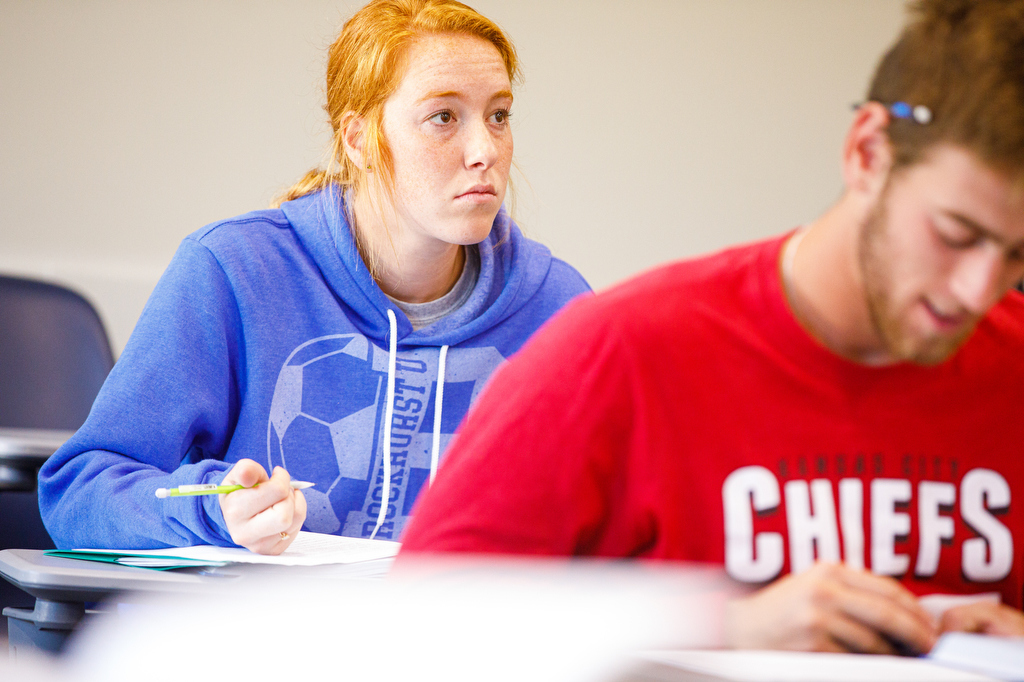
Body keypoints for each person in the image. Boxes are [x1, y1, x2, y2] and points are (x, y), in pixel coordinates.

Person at [401, 0, 1024, 654]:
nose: (978, 289)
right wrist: (720, 628)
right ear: (868, 152)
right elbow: (419, 620)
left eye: (1016, 255)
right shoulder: (624, 350)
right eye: (956, 235)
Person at [38, 0, 589, 555]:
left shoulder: (561, 311)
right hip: (250, 634)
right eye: (443, 117)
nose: (486, 151)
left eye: (499, 115)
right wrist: (216, 507)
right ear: (358, 139)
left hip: (459, 639)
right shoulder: (233, 270)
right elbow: (77, 490)